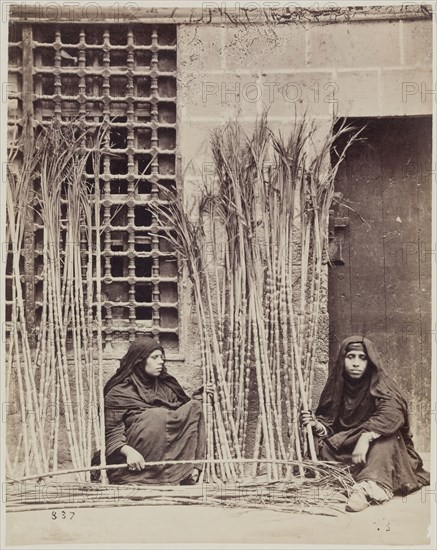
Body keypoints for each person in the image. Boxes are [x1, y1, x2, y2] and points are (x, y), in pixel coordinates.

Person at [301, 335, 430, 512]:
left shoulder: (381, 384)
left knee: (388, 439)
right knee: (320, 445)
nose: (356, 363)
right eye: (350, 357)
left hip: (375, 446)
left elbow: (392, 413)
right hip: (349, 447)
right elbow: (329, 421)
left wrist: (367, 435)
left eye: (362, 358)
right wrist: (318, 425)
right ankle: (353, 478)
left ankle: (369, 488)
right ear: (342, 359)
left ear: (370, 362)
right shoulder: (337, 384)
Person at [101, 336, 211, 485]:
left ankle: (190, 469)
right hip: (137, 455)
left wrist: (198, 398)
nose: (161, 361)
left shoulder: (166, 386)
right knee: (157, 415)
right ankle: (150, 475)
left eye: (161, 357)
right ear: (139, 361)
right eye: (154, 357)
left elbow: (180, 418)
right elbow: (111, 431)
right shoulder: (119, 392)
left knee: (194, 407)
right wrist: (128, 451)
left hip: (166, 449)